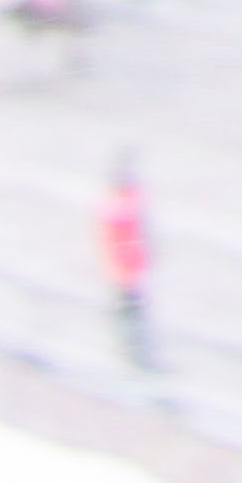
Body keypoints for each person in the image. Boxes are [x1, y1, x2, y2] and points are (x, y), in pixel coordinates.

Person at [99, 149, 156, 373]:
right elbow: (120, 240)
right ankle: (133, 355)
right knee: (130, 311)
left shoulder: (125, 203)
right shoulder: (119, 209)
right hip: (126, 270)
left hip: (130, 268)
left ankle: (135, 352)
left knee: (134, 310)